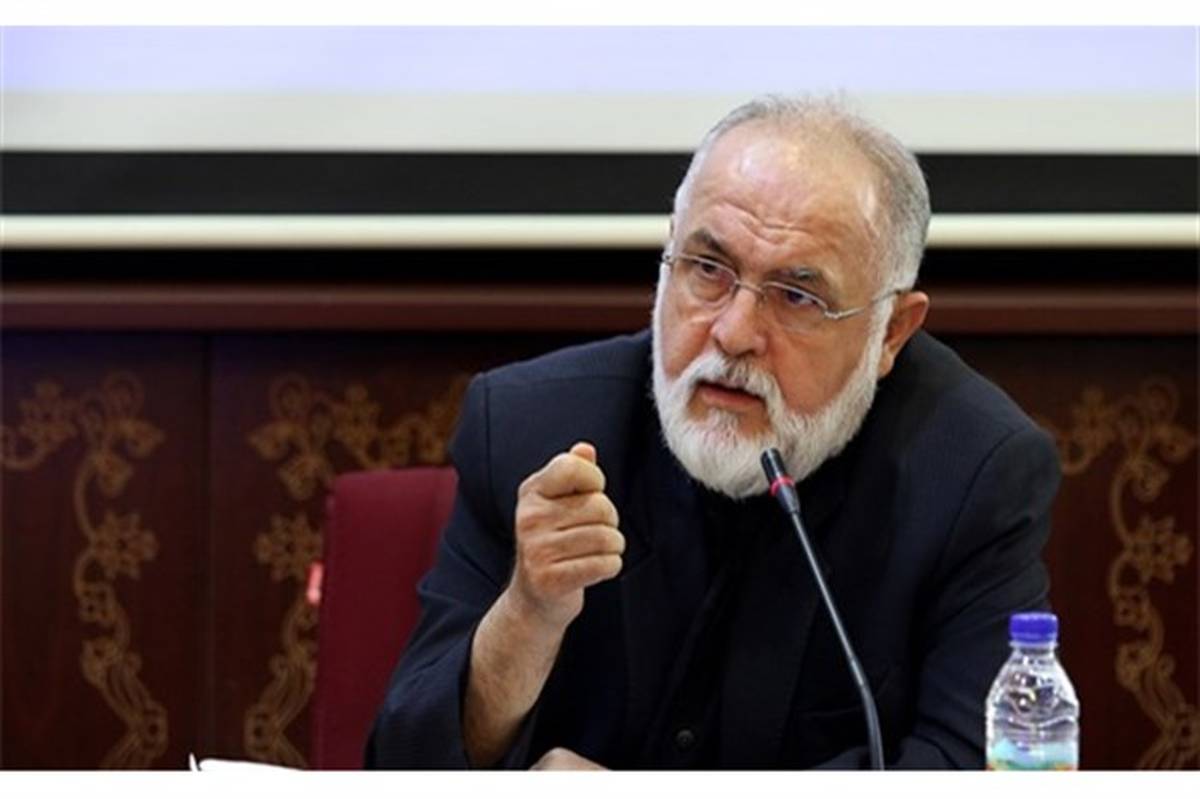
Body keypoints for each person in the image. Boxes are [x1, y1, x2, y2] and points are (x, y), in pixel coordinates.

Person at [366, 95, 1060, 769]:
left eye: (797, 296)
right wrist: (527, 615)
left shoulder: (973, 473)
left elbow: (972, 769)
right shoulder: (532, 429)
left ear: (891, 333)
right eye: (707, 269)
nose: (733, 332)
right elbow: (403, 767)